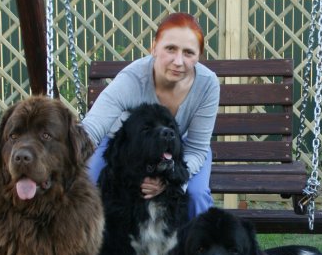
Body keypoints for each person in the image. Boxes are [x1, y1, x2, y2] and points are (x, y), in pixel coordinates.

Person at [82, 12, 219, 219]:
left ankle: (201, 248)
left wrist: (169, 179)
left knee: (196, 194)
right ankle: (86, 247)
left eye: (189, 53)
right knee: (87, 183)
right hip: (131, 145)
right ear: (154, 47)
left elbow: (197, 149)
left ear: (199, 56)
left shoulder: (208, 84)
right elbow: (92, 128)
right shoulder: (132, 79)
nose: (178, 61)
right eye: (170, 49)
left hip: (182, 147)